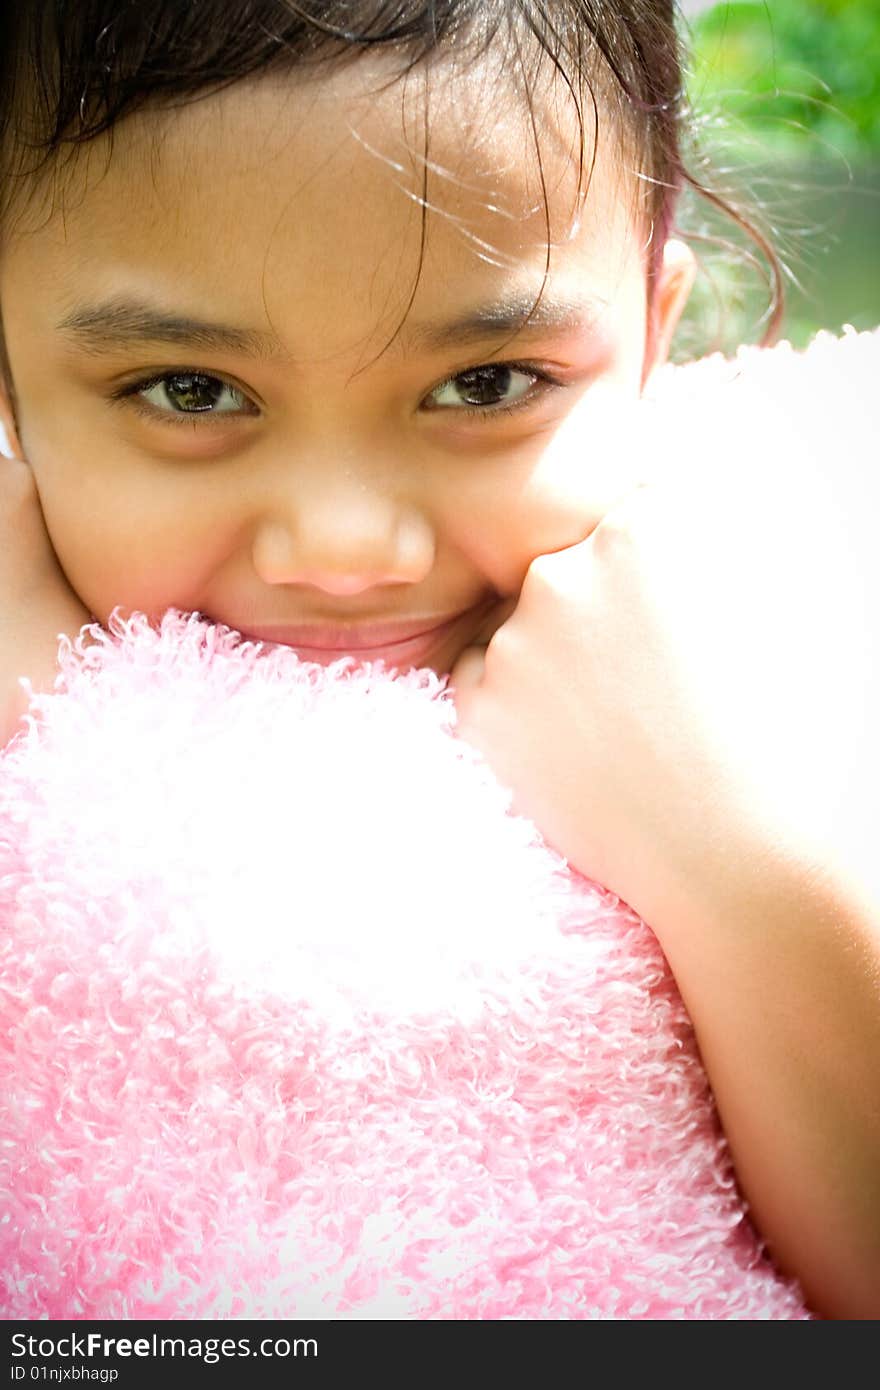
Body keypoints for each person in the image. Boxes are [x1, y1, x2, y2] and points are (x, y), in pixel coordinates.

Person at [0, 0, 877, 1319]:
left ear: (654, 330)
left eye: (486, 384)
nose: (347, 549)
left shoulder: (793, 626)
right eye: (191, 391)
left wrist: (730, 861)